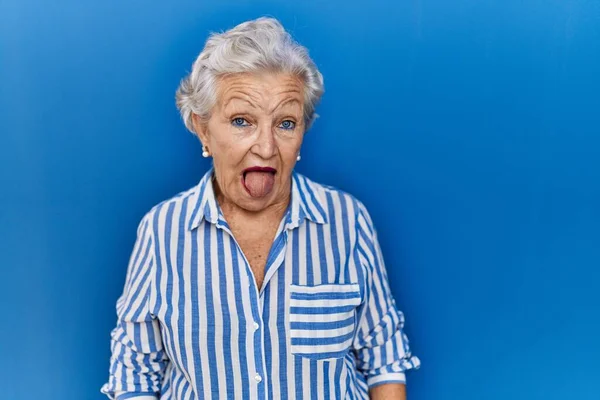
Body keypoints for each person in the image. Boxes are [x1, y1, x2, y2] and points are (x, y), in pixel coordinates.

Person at [102, 16, 420, 400]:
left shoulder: (347, 220)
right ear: (202, 128)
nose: (266, 147)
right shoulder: (162, 230)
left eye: (285, 123)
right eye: (241, 121)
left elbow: (383, 358)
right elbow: (134, 375)